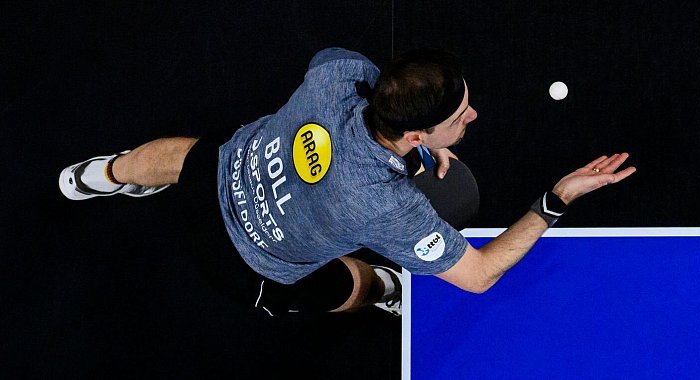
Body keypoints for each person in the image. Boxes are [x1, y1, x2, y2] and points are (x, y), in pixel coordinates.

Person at [58, 47, 636, 317]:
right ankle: (388, 290)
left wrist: (418, 146)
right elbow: (480, 276)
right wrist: (557, 197)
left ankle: (101, 175)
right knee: (351, 285)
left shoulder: (340, 74)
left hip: (221, 172)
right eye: (460, 117)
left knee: (191, 155)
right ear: (416, 136)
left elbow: (349, 76)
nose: (473, 118)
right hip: (243, 263)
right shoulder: (387, 210)